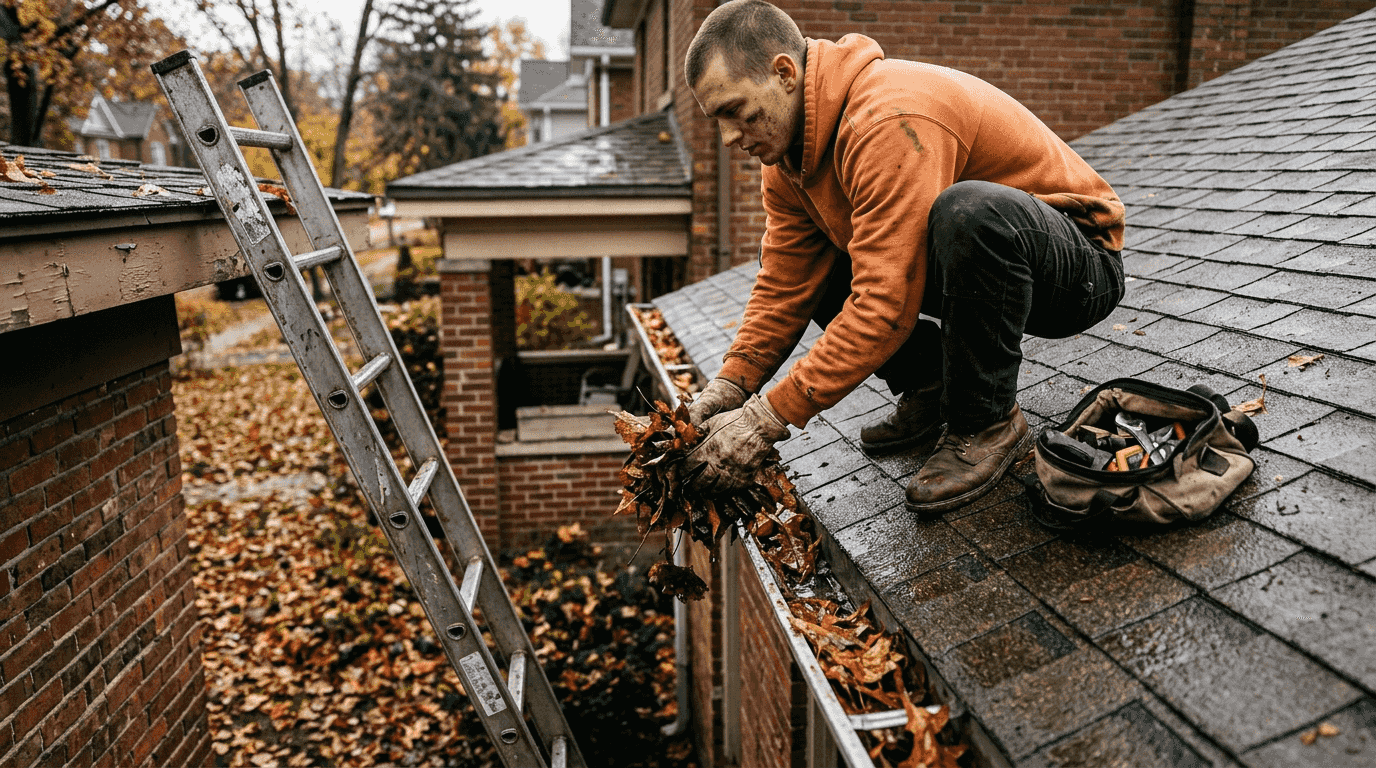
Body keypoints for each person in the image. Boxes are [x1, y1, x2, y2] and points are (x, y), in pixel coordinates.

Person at [680, 0, 1125, 514]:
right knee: (820, 269)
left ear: (784, 72)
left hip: (1077, 265)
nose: (730, 137)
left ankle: (986, 422)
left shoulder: (886, 118)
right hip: (978, 264)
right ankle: (930, 384)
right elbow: (785, 281)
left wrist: (767, 419)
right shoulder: (788, 158)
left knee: (969, 213)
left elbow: (885, 305)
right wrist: (731, 385)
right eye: (718, 120)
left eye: (736, 111)